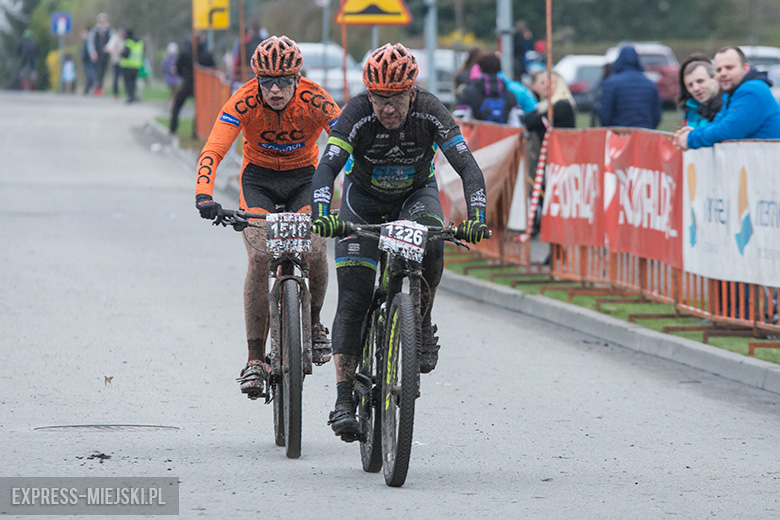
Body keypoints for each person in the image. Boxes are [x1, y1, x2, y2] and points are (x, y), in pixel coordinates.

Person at [309, 43, 489, 440]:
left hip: (414, 197)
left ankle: (420, 323)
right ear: (368, 94)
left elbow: (467, 167)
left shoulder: (430, 110)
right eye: (379, 99)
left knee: (435, 241)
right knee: (354, 297)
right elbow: (327, 168)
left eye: (395, 100)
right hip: (363, 203)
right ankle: (343, 398)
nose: (387, 109)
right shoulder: (356, 114)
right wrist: (322, 212)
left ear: (412, 93)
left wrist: (477, 217)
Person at [194, 36, 339, 398]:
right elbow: (215, 146)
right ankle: (255, 358)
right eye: (267, 82)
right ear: (256, 80)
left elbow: (345, 142)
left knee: (316, 248)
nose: (275, 90)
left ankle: (316, 322)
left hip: (305, 179)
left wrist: (354, 186)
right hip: (258, 180)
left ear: (297, 79)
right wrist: (204, 194)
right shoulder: (243, 99)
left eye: (284, 81)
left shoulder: (314, 98)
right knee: (260, 257)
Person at [674, 46, 780, 151]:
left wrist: (690, 138)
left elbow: (729, 131)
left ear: (745, 68)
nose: (723, 73)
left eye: (729, 68)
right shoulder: (732, 94)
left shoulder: (752, 90)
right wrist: (694, 132)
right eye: (719, 69)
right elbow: (718, 124)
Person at [522, 70, 576, 236]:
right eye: (543, 82)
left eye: (550, 82)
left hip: (558, 159)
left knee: (552, 199)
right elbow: (528, 118)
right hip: (547, 159)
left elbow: (531, 121)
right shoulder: (546, 105)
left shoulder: (561, 105)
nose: (546, 86)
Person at [598, 45, 661, 129]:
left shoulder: (611, 83)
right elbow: (657, 115)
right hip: (645, 133)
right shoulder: (650, 84)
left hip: (619, 134)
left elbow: (605, 114)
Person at [169, 32, 215, 135]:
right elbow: (213, 68)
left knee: (177, 106)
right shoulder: (206, 54)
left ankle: (173, 128)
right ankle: (196, 131)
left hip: (187, 84)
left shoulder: (185, 53)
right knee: (200, 109)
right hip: (202, 86)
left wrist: (184, 76)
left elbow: (178, 68)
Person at [453, 53, 519, 124]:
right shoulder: (510, 95)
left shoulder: (469, 92)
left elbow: (460, 121)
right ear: (499, 69)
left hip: (476, 134)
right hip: (506, 134)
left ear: (480, 68)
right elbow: (517, 123)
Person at [676, 55, 722, 128]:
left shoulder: (729, 106)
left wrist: (691, 135)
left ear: (715, 78)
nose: (695, 88)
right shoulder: (698, 108)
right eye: (690, 85)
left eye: (700, 81)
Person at [87, 13, 114, 96]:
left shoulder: (109, 30)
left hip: (105, 54)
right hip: (97, 54)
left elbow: (113, 40)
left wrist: (110, 48)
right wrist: (92, 52)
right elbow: (90, 42)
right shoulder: (94, 31)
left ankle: (100, 88)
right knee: (96, 71)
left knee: (103, 71)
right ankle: (96, 88)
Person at [119, 28, 143, 103]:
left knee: (128, 82)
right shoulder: (139, 43)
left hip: (128, 65)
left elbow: (126, 54)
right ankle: (133, 95)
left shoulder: (128, 42)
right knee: (134, 81)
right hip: (137, 65)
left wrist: (121, 53)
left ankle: (130, 96)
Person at [104, 26, 127, 99]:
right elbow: (108, 47)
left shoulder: (126, 38)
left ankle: (127, 93)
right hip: (116, 61)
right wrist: (113, 51)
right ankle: (116, 93)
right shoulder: (115, 37)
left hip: (125, 62)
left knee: (125, 78)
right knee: (116, 78)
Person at [161, 42, 181, 106]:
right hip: (170, 78)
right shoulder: (167, 58)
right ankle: (172, 101)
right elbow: (164, 67)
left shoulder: (178, 58)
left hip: (177, 78)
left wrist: (177, 69)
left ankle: (175, 101)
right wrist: (170, 69)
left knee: (177, 91)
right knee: (172, 91)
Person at [80, 28, 95, 95]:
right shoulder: (84, 41)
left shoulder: (89, 41)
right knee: (88, 75)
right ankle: (87, 89)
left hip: (90, 60)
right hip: (86, 60)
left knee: (90, 74)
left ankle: (90, 88)